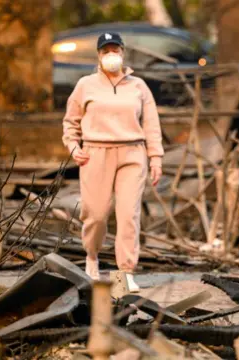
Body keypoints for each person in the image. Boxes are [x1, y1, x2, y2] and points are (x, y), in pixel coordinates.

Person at [62, 33, 164, 292]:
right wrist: (74, 148)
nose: (110, 55)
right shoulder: (85, 85)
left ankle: (124, 274)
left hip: (132, 152)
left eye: (114, 49)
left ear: (122, 52)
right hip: (96, 153)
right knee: (95, 215)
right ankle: (92, 258)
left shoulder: (138, 86)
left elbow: (151, 124)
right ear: (98, 55)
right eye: (105, 50)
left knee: (128, 214)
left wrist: (156, 158)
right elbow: (70, 123)